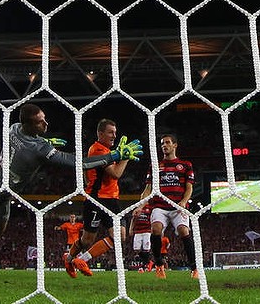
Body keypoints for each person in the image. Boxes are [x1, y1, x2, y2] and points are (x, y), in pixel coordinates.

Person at [0, 103, 142, 236]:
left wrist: (46, 139)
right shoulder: (41, 149)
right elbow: (79, 163)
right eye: (41, 123)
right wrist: (115, 155)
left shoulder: (14, 127)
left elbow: (27, 142)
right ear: (31, 126)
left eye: (44, 120)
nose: (46, 124)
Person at [64, 119, 136, 278]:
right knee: (87, 240)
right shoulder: (97, 150)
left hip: (112, 200)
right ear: (100, 133)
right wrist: (125, 157)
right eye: (111, 132)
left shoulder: (108, 151)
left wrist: (120, 154)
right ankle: (68, 259)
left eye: (115, 133)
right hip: (96, 200)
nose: (114, 135)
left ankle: (81, 260)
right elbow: (116, 173)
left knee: (120, 236)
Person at [138, 134, 197, 279]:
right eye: (162, 143)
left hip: (178, 206)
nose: (164, 145)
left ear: (175, 145)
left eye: (167, 143)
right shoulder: (155, 166)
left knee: (184, 230)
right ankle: (159, 265)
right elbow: (148, 189)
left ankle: (194, 268)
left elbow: (189, 188)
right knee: (156, 228)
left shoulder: (185, 165)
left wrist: (183, 201)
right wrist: (140, 205)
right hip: (160, 206)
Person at [129, 204, 152, 272]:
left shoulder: (150, 208)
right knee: (136, 249)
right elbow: (133, 219)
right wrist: (131, 228)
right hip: (138, 231)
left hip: (147, 231)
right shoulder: (138, 208)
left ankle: (144, 267)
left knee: (146, 249)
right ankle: (149, 262)